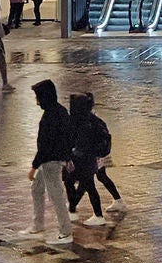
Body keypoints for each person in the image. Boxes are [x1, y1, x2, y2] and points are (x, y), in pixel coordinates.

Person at [27, 80, 75, 244]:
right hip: (54, 159)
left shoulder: (50, 116)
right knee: (37, 189)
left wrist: (33, 167)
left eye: (38, 97)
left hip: (50, 162)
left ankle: (66, 232)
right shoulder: (61, 111)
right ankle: (38, 225)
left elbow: (45, 146)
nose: (36, 101)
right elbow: (69, 137)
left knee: (56, 196)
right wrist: (67, 157)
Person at [67, 91, 124, 227]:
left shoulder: (88, 121)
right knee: (94, 179)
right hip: (96, 155)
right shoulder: (91, 118)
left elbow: (82, 142)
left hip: (93, 156)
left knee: (88, 181)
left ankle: (76, 209)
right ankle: (117, 201)